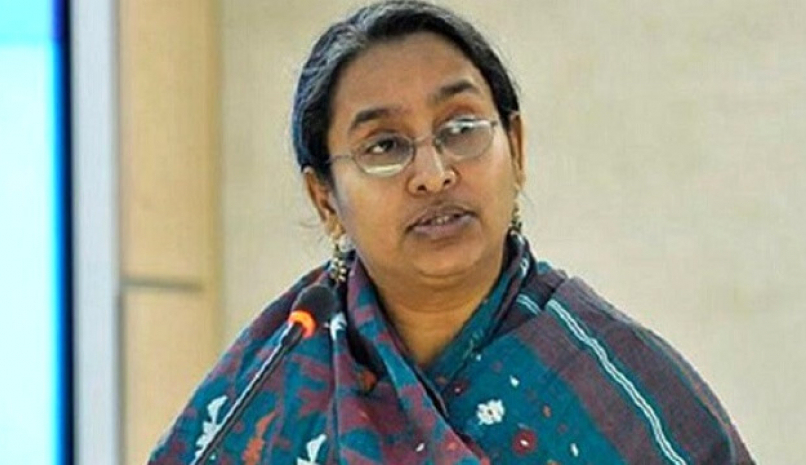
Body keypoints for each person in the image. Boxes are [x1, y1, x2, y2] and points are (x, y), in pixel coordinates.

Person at [149, 1, 753, 463]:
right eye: (384, 146)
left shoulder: (618, 394)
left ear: (515, 148)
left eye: (461, 128)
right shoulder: (280, 391)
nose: (433, 173)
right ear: (324, 198)